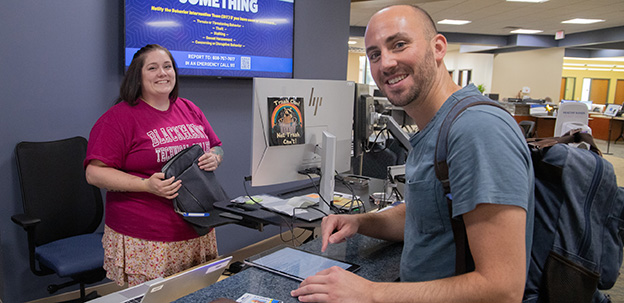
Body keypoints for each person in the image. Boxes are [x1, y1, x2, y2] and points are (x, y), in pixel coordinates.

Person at [291, 5, 534, 303]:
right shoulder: (436, 127)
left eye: (399, 44)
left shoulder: (477, 129)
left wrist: (370, 293)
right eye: (375, 54)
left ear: (438, 47)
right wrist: (361, 222)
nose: (386, 63)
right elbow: (427, 215)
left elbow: (502, 288)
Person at [84, 44, 224, 286]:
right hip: (148, 236)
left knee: (195, 295)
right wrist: (146, 185)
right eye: (153, 68)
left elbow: (216, 145)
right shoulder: (119, 118)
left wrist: (215, 156)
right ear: (137, 76)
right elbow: (94, 173)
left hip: (198, 227)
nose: (163, 73)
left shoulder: (189, 108)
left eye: (167, 66)